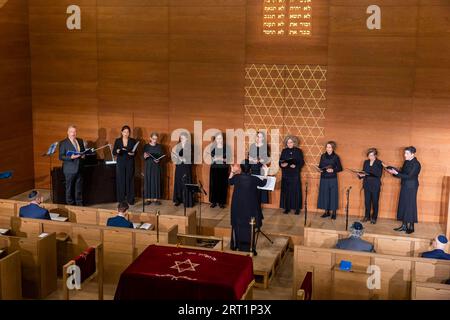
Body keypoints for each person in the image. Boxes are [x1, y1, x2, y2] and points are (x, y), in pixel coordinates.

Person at [229, 160, 267, 254]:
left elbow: (229, 181)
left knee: (239, 225)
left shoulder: (237, 177)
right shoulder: (254, 179)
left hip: (237, 207)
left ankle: (237, 245)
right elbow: (263, 183)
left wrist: (232, 171)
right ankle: (250, 247)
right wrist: (266, 172)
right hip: (250, 208)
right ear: (250, 169)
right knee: (249, 226)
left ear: (241, 168)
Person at [386, 146, 421, 234]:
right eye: (405, 153)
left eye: (407, 153)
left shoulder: (416, 164)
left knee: (410, 205)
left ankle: (411, 227)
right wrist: (393, 172)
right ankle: (404, 226)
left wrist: (397, 173)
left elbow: (409, 176)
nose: (405, 155)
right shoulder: (406, 162)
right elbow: (402, 173)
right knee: (403, 204)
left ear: (412, 154)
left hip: (412, 187)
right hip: (405, 185)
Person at [59, 125, 86, 206]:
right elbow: (61, 156)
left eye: (74, 132)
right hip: (69, 169)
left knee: (79, 189)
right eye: (71, 132)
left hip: (79, 168)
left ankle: (79, 204)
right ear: (68, 132)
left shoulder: (80, 141)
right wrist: (71, 157)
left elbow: (83, 152)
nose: (73, 133)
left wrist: (84, 155)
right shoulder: (63, 143)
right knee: (69, 189)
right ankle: (70, 205)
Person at [279, 135, 305, 215]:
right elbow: (280, 161)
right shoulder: (284, 151)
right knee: (286, 191)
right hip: (286, 173)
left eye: (291, 142)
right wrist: (281, 165)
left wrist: (296, 166)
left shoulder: (298, 151)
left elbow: (302, 162)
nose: (289, 144)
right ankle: (287, 208)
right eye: (288, 142)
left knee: (295, 191)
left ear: (294, 142)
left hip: (295, 174)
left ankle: (297, 208)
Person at [318, 141, 343, 220]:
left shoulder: (336, 157)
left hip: (332, 178)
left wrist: (333, 170)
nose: (328, 149)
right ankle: (326, 212)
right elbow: (320, 166)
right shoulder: (322, 156)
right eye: (327, 147)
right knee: (325, 195)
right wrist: (320, 169)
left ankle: (334, 213)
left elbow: (340, 168)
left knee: (333, 195)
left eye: (329, 147)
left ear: (333, 148)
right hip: (324, 178)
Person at [113, 126, 138, 205]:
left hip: (130, 162)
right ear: (121, 132)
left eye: (128, 132)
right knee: (121, 180)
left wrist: (133, 153)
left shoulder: (133, 141)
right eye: (124, 132)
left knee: (130, 180)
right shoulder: (117, 141)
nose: (126, 134)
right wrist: (117, 150)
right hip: (120, 162)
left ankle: (130, 199)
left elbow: (135, 152)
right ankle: (121, 200)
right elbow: (114, 152)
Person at [357, 148, 383, 224]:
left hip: (375, 185)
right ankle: (367, 216)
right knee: (367, 202)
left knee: (375, 202)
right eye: (369, 155)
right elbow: (364, 172)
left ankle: (374, 217)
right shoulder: (366, 162)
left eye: (371, 155)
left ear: (375, 155)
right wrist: (360, 175)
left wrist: (369, 174)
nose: (370, 157)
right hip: (367, 184)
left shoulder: (379, 163)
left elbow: (379, 174)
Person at [249, 131, 271, 205]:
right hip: (253, 168)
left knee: (261, 186)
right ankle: (254, 204)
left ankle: (258, 205)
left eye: (260, 137)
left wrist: (261, 160)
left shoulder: (265, 146)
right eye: (257, 136)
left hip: (261, 169)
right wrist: (252, 159)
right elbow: (249, 157)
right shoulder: (252, 146)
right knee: (253, 188)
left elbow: (268, 158)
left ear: (263, 138)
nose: (258, 138)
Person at [172, 132, 194, 207]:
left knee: (186, 182)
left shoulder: (190, 146)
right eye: (181, 138)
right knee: (178, 182)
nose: (182, 139)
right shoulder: (178, 146)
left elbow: (193, 158)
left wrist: (185, 159)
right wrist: (177, 158)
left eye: (183, 138)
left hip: (186, 167)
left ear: (187, 138)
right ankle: (179, 199)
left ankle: (187, 201)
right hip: (179, 166)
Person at [209, 132, 230, 209]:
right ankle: (213, 202)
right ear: (215, 139)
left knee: (222, 185)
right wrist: (215, 159)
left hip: (223, 168)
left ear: (222, 139)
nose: (219, 140)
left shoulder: (226, 148)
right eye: (218, 138)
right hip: (214, 168)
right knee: (214, 185)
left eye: (220, 138)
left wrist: (222, 159)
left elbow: (228, 159)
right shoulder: (212, 147)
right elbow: (211, 159)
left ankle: (221, 202)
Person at [143, 132, 164, 206]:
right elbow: (143, 156)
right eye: (153, 139)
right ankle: (148, 199)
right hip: (148, 165)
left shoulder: (159, 147)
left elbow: (161, 156)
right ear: (150, 138)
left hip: (156, 165)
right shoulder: (146, 146)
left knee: (156, 181)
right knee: (148, 181)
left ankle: (156, 199)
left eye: (156, 139)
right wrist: (145, 156)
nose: (155, 140)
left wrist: (159, 159)